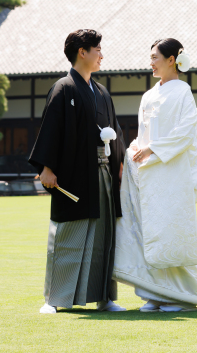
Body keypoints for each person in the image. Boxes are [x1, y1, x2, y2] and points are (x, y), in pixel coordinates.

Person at [28, 29, 127, 314]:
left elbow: (116, 133)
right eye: (97, 49)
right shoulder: (64, 88)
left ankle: (104, 297)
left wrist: (119, 164)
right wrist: (47, 168)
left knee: (103, 237)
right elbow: (51, 129)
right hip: (73, 173)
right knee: (68, 235)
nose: (101, 55)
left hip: (103, 172)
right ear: (81, 52)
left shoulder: (102, 92)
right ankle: (54, 299)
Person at [113, 38, 197, 313]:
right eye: (150, 56)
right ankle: (155, 292)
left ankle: (182, 297)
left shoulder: (183, 92)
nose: (150, 62)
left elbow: (187, 132)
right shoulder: (148, 96)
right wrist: (137, 148)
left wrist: (153, 147)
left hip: (171, 173)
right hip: (150, 174)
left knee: (170, 232)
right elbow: (145, 134)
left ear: (171, 59)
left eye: (155, 57)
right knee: (149, 232)